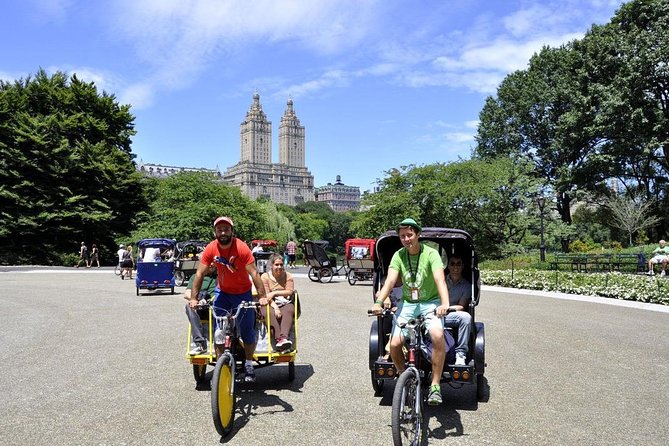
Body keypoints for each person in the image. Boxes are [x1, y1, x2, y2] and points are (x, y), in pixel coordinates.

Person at [372, 218, 450, 406]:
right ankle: (403, 377)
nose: (406, 239)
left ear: (417, 235)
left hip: (430, 302)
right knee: (395, 344)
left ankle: (435, 386)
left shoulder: (431, 254)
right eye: (402, 236)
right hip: (408, 304)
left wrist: (445, 303)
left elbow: (440, 279)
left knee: (437, 335)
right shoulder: (399, 255)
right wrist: (378, 302)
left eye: (409, 235)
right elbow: (390, 280)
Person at [190, 216, 268, 383]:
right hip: (223, 293)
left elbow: (254, 273)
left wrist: (262, 297)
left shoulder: (241, 248)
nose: (223, 232)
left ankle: (248, 364)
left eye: (226, 229)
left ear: (232, 231)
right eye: (219, 229)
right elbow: (199, 274)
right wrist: (193, 299)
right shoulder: (211, 248)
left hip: (242, 293)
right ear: (215, 232)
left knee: (247, 330)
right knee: (219, 331)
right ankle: (221, 368)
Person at [259, 253, 296, 352]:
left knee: (289, 309)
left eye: (281, 264)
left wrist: (275, 293)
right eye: (276, 265)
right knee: (268, 312)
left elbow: (289, 291)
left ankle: (284, 337)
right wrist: (275, 307)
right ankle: (279, 338)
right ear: (271, 266)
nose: (279, 267)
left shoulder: (288, 275)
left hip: (284, 300)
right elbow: (266, 295)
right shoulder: (265, 277)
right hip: (269, 302)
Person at [444, 254, 472, 366]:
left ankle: (460, 354)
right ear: (448, 266)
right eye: (452, 264)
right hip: (434, 314)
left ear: (462, 266)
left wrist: (447, 308)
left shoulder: (466, 286)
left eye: (458, 264)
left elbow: (461, 306)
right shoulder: (441, 280)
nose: (455, 267)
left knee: (466, 317)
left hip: (451, 314)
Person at [185, 264, 218, 355]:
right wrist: (196, 300)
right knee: (189, 307)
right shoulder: (195, 277)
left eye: (213, 263)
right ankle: (200, 343)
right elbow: (187, 293)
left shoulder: (219, 276)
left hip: (216, 306)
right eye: (208, 263)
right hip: (201, 306)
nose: (211, 265)